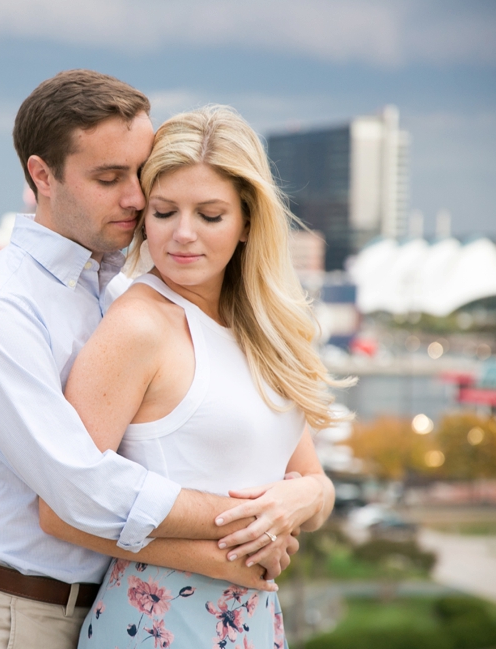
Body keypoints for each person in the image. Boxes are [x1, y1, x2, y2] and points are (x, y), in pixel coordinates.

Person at [0, 70, 329, 649]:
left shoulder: (115, 285)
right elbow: (75, 490)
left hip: (119, 600)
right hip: (13, 612)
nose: (136, 200)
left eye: (138, 175)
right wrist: (249, 528)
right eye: (109, 177)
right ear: (41, 176)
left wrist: (305, 496)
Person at [38, 105, 351, 648]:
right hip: (153, 626)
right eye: (163, 213)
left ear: (247, 221)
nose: (183, 235)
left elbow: (312, 481)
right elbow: (62, 510)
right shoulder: (137, 327)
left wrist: (303, 501)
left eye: (209, 215)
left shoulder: (266, 331)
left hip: (252, 624)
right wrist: (226, 559)